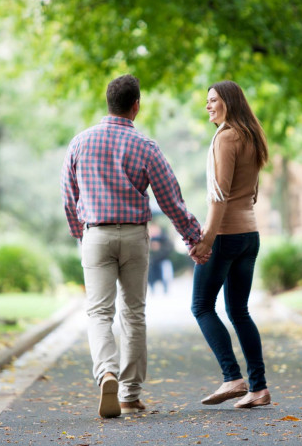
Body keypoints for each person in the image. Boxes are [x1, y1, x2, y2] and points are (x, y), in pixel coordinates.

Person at [61, 74, 209, 418]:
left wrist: (81, 234)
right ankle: (129, 394)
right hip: (133, 236)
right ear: (136, 106)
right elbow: (171, 199)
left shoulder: (79, 143)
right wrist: (193, 237)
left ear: (108, 102)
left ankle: (106, 373)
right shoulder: (146, 146)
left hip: (95, 234)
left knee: (99, 312)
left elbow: (69, 198)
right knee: (133, 313)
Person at [189, 80, 272, 409]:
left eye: (214, 100)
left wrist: (206, 239)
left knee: (201, 306)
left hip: (225, 235)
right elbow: (250, 192)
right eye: (207, 101)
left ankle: (232, 377)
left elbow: (219, 194)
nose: (208, 106)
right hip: (249, 235)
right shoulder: (251, 135)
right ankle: (259, 388)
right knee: (238, 310)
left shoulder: (226, 136)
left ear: (230, 103)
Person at [147, 220, 174, 295]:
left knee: (165, 266)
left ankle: (165, 286)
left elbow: (169, 248)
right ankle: (152, 286)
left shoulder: (164, 237)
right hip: (152, 261)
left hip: (162, 259)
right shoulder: (148, 239)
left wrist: (159, 250)